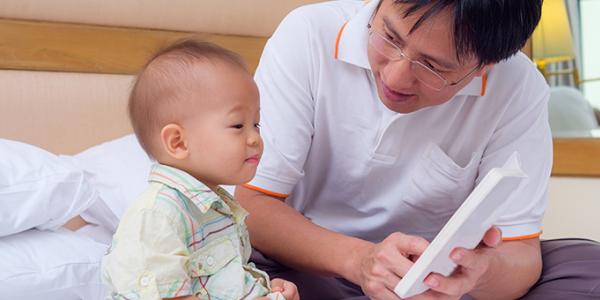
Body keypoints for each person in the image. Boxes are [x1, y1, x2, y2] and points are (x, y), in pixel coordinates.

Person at [235, 0, 600, 299]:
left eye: (433, 67)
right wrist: (359, 260)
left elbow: (521, 255)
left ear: (484, 66)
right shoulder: (310, 33)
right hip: (308, 263)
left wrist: (476, 273)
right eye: (389, 37)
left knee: (588, 266)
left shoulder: (519, 88)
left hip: (427, 286)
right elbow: (251, 204)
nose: (395, 77)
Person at [101, 39, 299, 300]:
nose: (254, 138)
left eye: (257, 124)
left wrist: (265, 287)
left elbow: (220, 282)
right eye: (238, 125)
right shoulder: (158, 217)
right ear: (178, 142)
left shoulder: (215, 210)